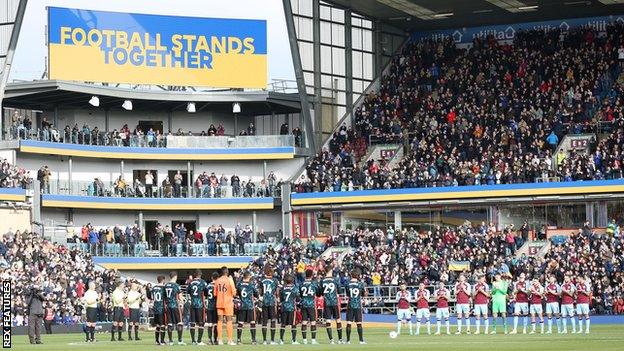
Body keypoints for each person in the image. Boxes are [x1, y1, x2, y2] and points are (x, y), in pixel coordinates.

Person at [214, 266, 236, 345]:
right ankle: (230, 340)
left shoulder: (217, 281)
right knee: (229, 321)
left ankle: (219, 340)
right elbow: (234, 293)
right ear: (227, 272)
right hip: (228, 303)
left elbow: (215, 294)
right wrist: (232, 281)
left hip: (219, 303)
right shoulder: (229, 280)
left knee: (219, 321)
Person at [321, 267, 343, 344]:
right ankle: (340, 340)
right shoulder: (335, 280)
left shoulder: (322, 281)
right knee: (338, 320)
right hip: (334, 302)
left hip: (326, 303)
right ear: (330, 271)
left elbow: (320, 293)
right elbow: (340, 291)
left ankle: (331, 340)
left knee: (328, 320)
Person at [258, 265, 279, 345]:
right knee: (273, 321)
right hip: (271, 302)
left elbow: (260, 292)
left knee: (264, 321)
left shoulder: (262, 280)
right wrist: (277, 298)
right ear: (271, 272)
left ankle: (264, 341)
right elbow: (277, 293)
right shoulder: (275, 280)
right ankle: (272, 341)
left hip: (264, 302)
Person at [186, 269, 208, 345]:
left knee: (192, 323)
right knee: (201, 323)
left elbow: (188, 291)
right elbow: (206, 292)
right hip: (200, 305)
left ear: (195, 274)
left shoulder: (190, 283)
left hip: (192, 305)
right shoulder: (203, 282)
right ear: (200, 274)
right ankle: (199, 341)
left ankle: (193, 341)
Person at [236, 271, 258, 345]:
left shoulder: (239, 284)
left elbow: (237, 293)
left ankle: (238, 340)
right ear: (248, 277)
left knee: (240, 323)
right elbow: (256, 293)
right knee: (252, 322)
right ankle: (253, 340)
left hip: (242, 305)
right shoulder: (251, 285)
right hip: (249, 306)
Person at [299, 269, 319, 344]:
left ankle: (304, 340)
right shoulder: (314, 283)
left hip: (304, 304)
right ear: (311, 275)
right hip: (311, 304)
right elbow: (318, 293)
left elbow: (300, 294)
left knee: (304, 321)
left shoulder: (301, 283)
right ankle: (313, 340)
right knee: (313, 322)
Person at [345, 269, 366, 344]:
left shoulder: (347, 284)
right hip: (357, 305)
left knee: (349, 323)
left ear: (351, 275)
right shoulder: (360, 284)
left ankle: (348, 341)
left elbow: (347, 294)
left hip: (350, 304)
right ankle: (361, 340)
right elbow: (363, 294)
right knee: (359, 323)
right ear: (357, 276)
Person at [164, 271, 185, 345]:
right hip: (176, 306)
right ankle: (179, 341)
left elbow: (164, 297)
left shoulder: (166, 285)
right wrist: (182, 302)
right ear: (175, 276)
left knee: (170, 324)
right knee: (179, 323)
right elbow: (180, 297)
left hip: (168, 306)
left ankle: (170, 341)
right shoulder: (176, 285)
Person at [278, 274, 299, 345]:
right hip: (292, 308)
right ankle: (294, 340)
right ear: (292, 281)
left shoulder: (282, 289)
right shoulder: (295, 289)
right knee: (293, 324)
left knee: (283, 324)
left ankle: (281, 340)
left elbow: (281, 299)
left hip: (284, 308)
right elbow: (298, 299)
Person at [148, 275, 166, 345]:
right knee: (162, 325)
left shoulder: (154, 288)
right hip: (161, 308)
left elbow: (150, 297)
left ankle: (156, 341)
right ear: (163, 280)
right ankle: (162, 341)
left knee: (158, 325)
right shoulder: (163, 288)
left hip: (155, 308)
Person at [205, 273, 219, 345]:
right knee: (216, 324)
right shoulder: (217, 286)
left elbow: (205, 294)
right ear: (218, 278)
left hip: (209, 307)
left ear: (211, 278)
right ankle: (215, 340)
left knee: (210, 324)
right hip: (216, 307)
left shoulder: (208, 286)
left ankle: (210, 340)